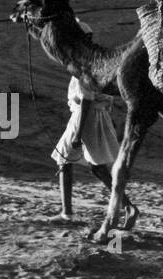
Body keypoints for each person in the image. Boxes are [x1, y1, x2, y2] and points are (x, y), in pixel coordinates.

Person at [49, 20, 138, 228]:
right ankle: (128, 207)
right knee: (98, 168)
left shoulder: (85, 65)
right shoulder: (98, 61)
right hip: (98, 115)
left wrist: (78, 136)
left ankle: (67, 213)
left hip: (86, 115)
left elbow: (86, 100)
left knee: (64, 159)